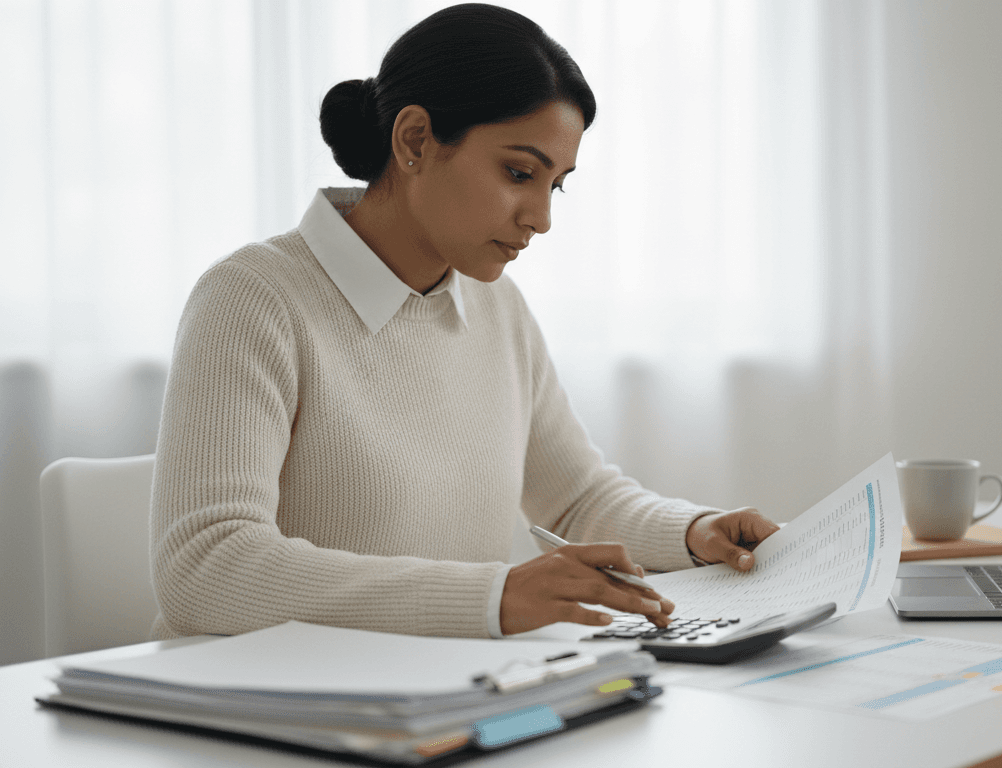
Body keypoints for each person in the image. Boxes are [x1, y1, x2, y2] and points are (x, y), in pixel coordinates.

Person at [149, 3, 779, 640]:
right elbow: (206, 567)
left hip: (444, 693)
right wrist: (493, 594)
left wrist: (695, 533)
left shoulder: (496, 308)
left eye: (555, 185)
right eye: (518, 173)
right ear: (416, 140)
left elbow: (576, 498)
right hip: (268, 709)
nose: (541, 217)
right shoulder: (253, 297)